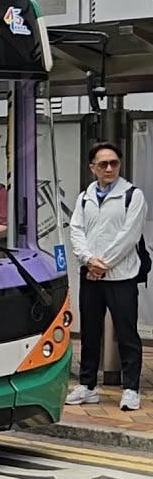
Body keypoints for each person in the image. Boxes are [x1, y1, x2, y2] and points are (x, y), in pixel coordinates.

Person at [66, 142, 145, 412]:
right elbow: (76, 230)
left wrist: (103, 264)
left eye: (114, 163)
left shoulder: (132, 195)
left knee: (127, 334)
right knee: (90, 332)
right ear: (92, 168)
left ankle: (131, 389)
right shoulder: (84, 196)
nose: (109, 168)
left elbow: (129, 236)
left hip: (121, 277)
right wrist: (88, 260)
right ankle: (87, 386)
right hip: (91, 276)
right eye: (103, 164)